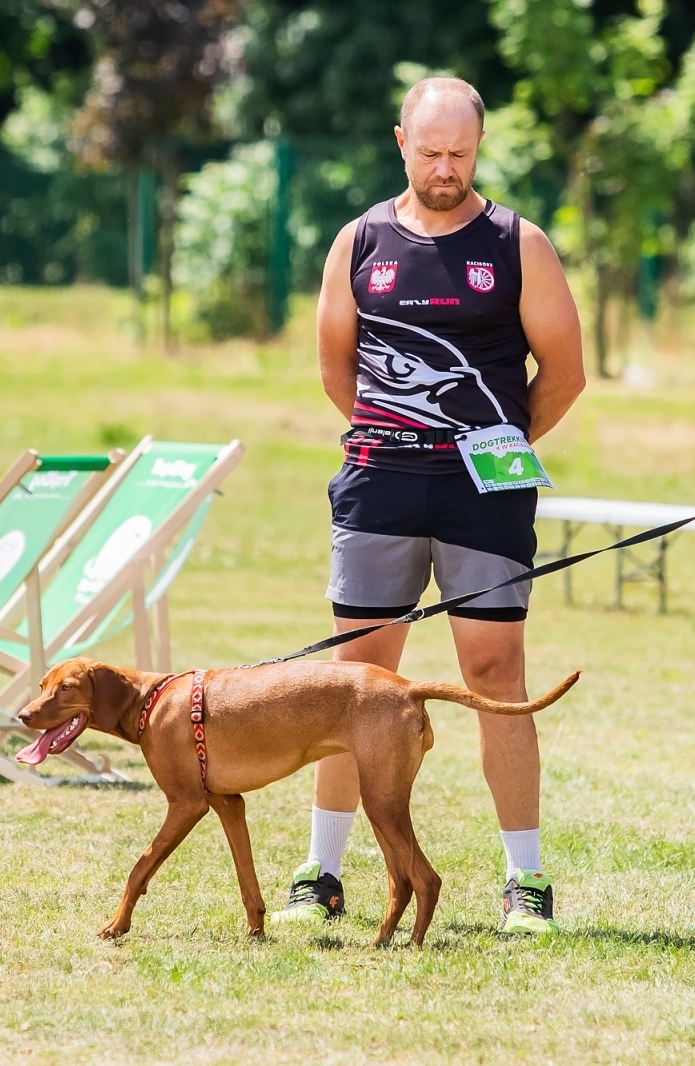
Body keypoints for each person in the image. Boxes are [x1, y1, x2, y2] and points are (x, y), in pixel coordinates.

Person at [268, 77, 586, 936]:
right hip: (380, 480)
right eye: (431, 151)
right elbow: (337, 367)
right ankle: (321, 874)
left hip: (488, 492)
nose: (446, 169)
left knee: (495, 679)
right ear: (400, 139)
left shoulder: (521, 242)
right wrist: (397, 438)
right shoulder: (359, 239)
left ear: (478, 148)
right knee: (352, 687)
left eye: (462, 154)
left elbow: (564, 371)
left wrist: (502, 444)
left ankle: (527, 883)